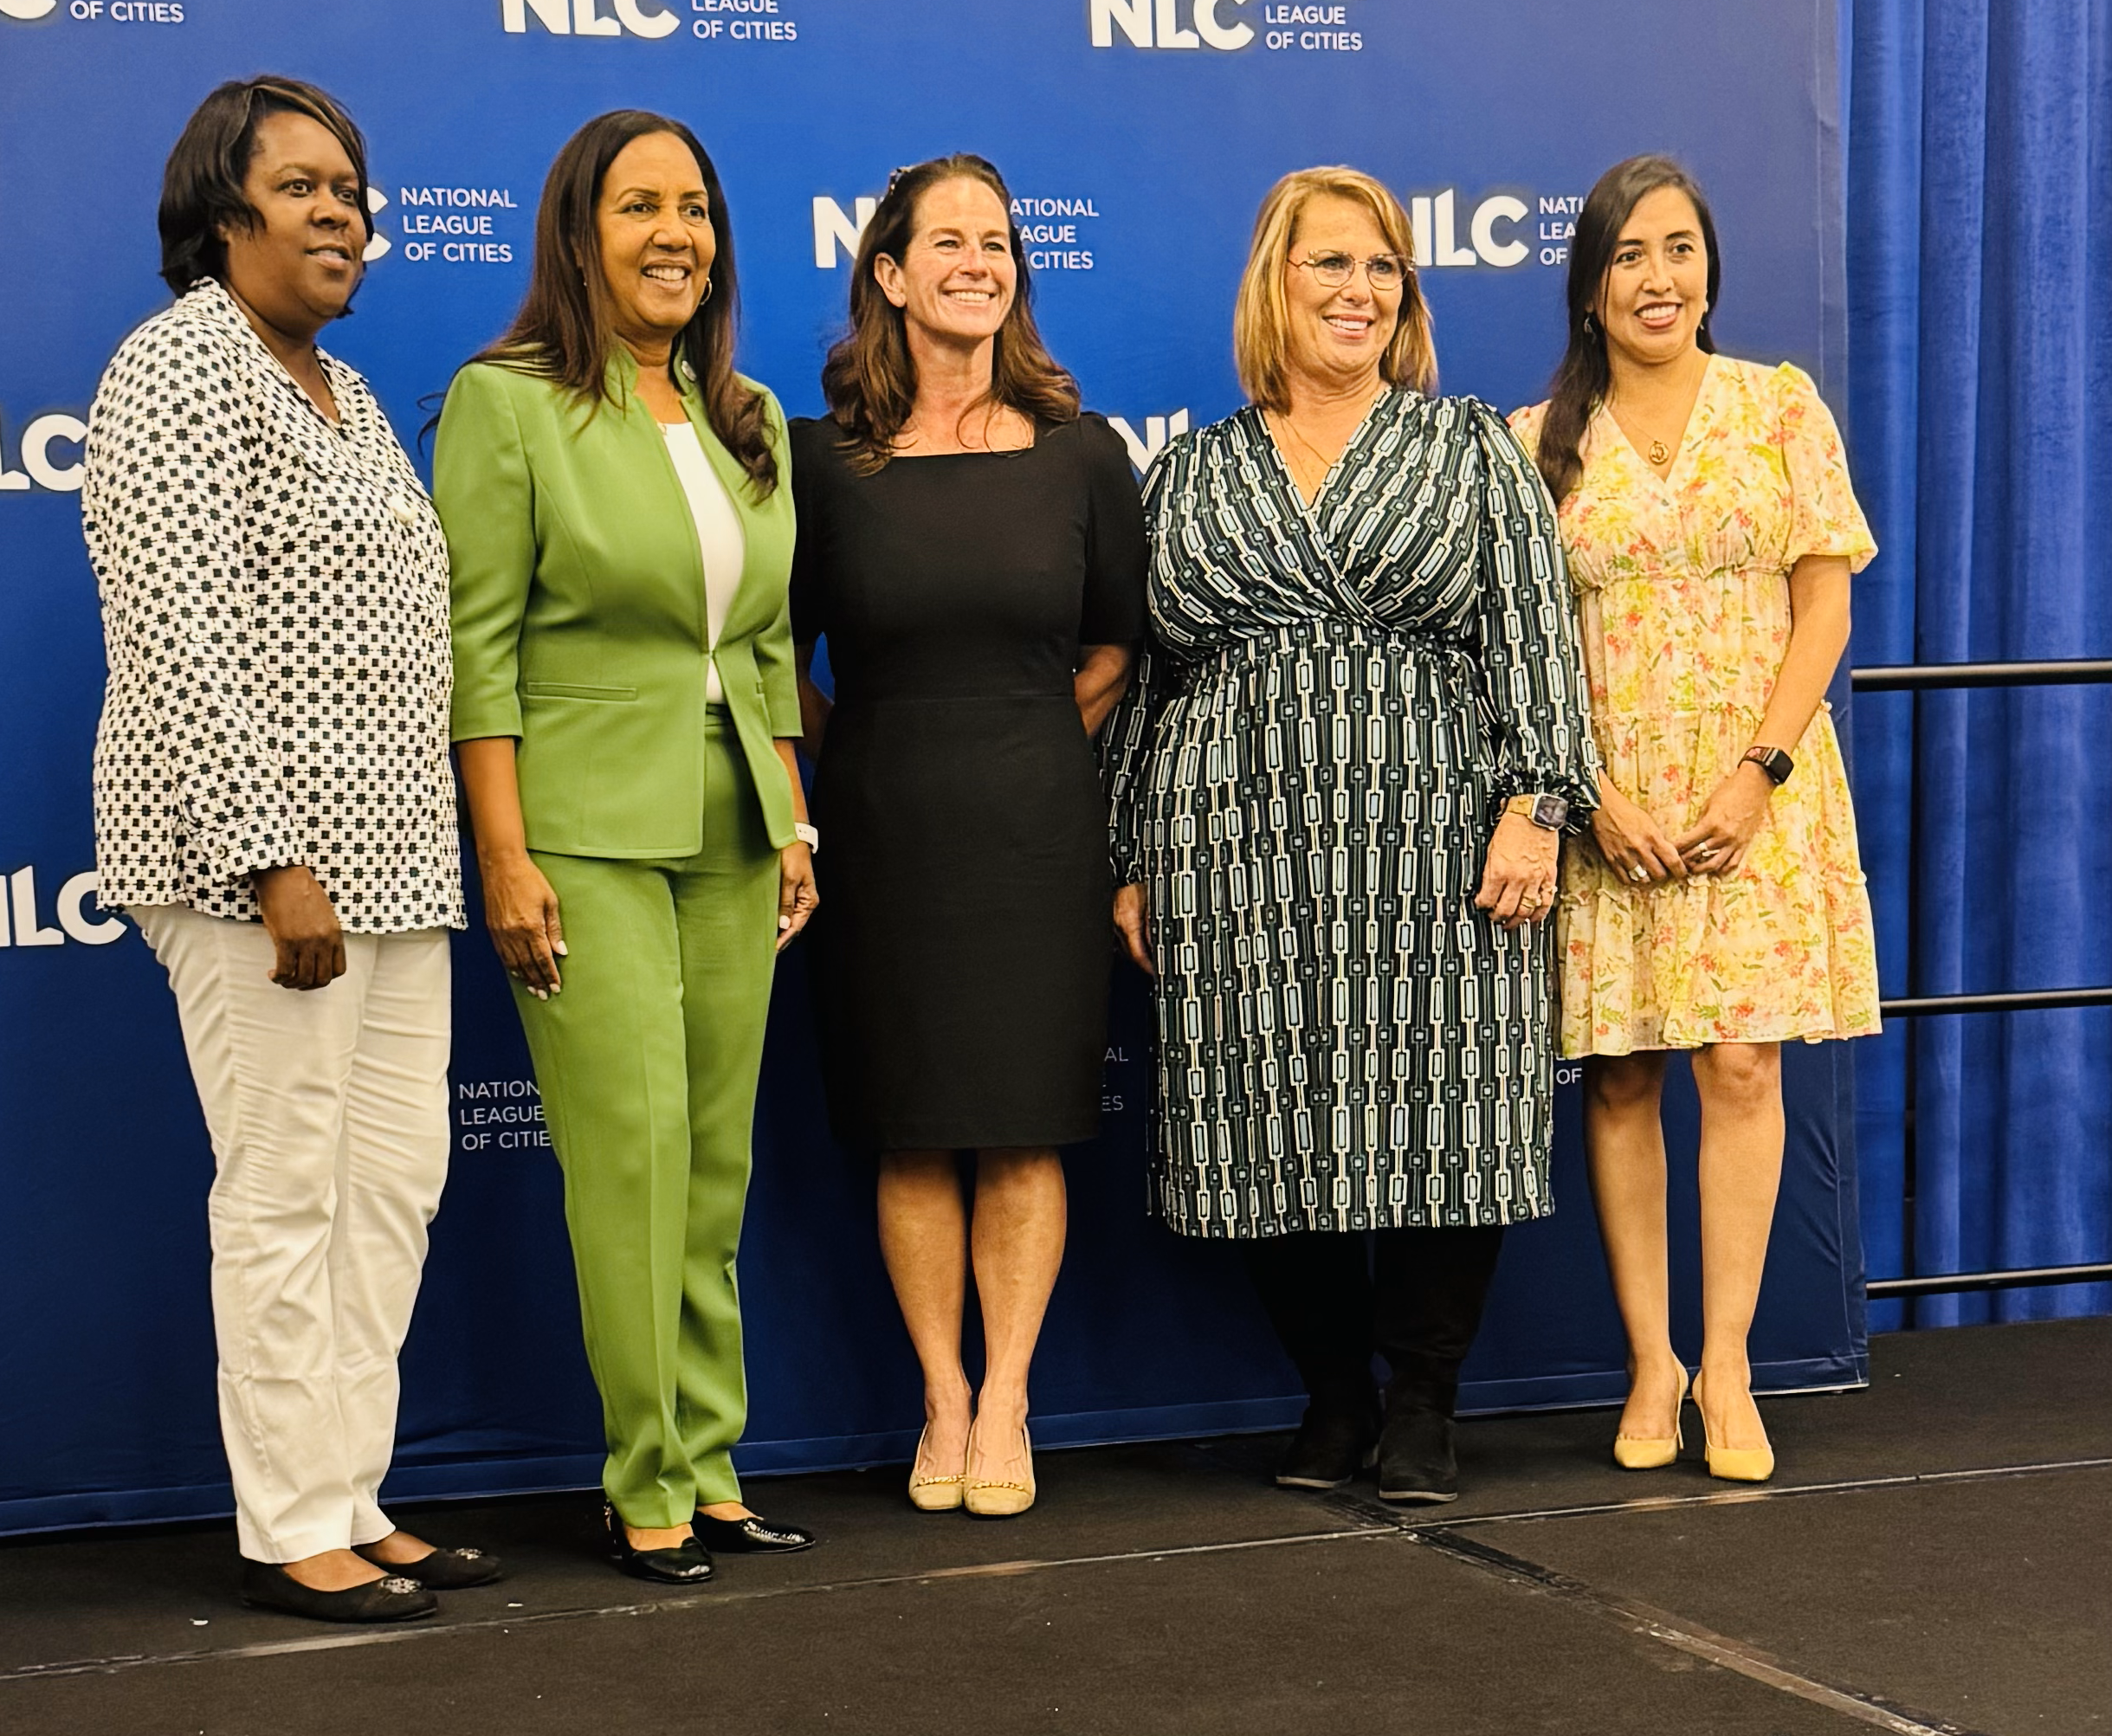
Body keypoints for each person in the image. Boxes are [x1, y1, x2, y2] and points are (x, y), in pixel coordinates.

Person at [1103, 166, 1599, 1505]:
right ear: (1276, 283)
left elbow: (1534, 635)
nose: (1358, 291)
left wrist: (1536, 805)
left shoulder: (1466, 450)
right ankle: (1330, 1403)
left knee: (1450, 1111)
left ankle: (1423, 1404)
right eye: (1329, 264)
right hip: (1235, 845)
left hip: (1436, 837)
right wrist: (1131, 856)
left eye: (1381, 269)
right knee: (1266, 1118)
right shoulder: (1191, 472)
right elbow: (1149, 680)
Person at [82, 76, 497, 1623]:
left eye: (353, 190)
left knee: (391, 1184)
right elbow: (178, 636)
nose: (343, 215)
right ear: (225, 208)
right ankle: (286, 1521)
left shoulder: (351, 388)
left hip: (396, 866)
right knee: (286, 1192)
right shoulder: (177, 368)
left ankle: (352, 1489)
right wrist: (272, 861)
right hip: (257, 873)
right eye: (307, 187)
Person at [433, 109, 821, 1584]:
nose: (676, 234)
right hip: (581, 835)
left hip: (730, 828)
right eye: (640, 206)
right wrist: (505, 858)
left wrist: (789, 814)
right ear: (578, 233)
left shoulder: (749, 416)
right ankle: (641, 1474)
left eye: (697, 209)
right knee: (632, 1161)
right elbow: (475, 654)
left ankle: (715, 1464)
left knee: (713, 1165)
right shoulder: (506, 403)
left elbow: (769, 644)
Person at [1510, 155, 1879, 1484]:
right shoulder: (1530, 438)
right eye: (1626, 255)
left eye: (1676, 249)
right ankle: (1648, 1363)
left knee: (1739, 1065)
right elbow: (1524, 647)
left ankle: (1725, 1365)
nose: (1655, 277)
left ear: (1706, 270)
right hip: (1610, 805)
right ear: (1589, 286)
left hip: (1754, 790)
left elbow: (1823, 603)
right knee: (1619, 1074)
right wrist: (1591, 798)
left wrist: (1757, 770)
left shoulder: (1778, 406)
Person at [791, 157, 1145, 1520]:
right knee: (909, 1130)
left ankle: (1008, 1403)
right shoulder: (821, 461)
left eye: (994, 242)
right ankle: (938, 1393)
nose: (975, 263)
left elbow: (1118, 639)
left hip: (1035, 835)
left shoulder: (1080, 453)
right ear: (887, 274)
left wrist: (1027, 742)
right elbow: (777, 655)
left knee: (1017, 1131)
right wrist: (854, 755)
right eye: (944, 242)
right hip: (881, 832)